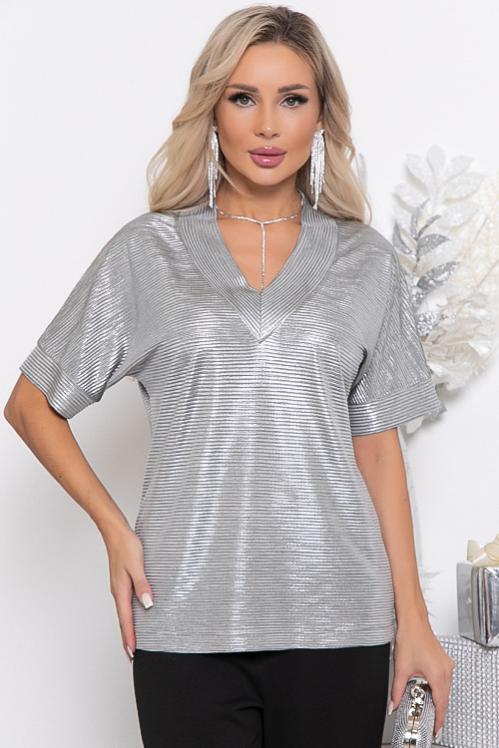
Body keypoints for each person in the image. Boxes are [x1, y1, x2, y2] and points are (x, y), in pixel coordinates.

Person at [4, 5, 455, 747]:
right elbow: (30, 405)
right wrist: (115, 531)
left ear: (321, 117)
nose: (268, 125)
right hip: (183, 619)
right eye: (244, 97)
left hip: (339, 620)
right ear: (213, 110)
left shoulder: (366, 262)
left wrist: (415, 621)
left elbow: (377, 447)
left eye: (292, 99)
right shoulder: (148, 254)